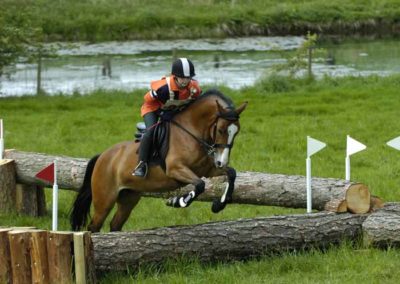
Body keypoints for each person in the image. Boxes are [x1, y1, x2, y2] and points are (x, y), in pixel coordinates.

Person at [132, 58, 202, 178]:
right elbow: (147, 100)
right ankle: (141, 164)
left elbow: (196, 101)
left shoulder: (194, 88)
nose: (186, 81)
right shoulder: (163, 87)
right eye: (182, 77)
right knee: (151, 131)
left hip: (173, 110)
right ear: (175, 76)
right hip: (153, 110)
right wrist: (161, 113)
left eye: (188, 77)